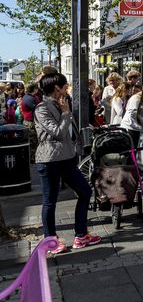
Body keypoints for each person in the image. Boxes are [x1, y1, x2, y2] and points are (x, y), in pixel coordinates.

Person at [34, 72, 101, 255]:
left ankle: (81, 234)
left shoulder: (62, 103)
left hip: (67, 158)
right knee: (50, 201)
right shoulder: (42, 108)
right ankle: (51, 240)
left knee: (85, 191)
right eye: (65, 87)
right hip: (49, 160)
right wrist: (65, 113)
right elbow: (58, 132)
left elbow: (70, 131)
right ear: (57, 88)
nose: (67, 90)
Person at [21, 83, 41, 161]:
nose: (38, 90)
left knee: (35, 140)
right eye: (37, 88)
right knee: (33, 141)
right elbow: (37, 109)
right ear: (34, 89)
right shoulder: (28, 98)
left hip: (32, 121)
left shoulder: (32, 97)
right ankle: (32, 158)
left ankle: (34, 157)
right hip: (30, 122)